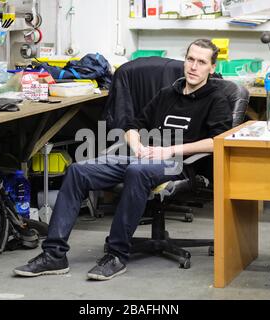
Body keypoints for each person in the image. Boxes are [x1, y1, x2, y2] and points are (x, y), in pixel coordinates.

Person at [14, 39, 232, 280]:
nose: (193, 66)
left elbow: (217, 141)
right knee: (78, 171)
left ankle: (116, 255)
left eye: (201, 62)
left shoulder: (217, 98)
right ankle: (54, 255)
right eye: (190, 59)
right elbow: (133, 124)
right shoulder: (168, 93)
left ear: (211, 68)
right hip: (144, 158)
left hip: (181, 164)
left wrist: (170, 150)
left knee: (137, 171)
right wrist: (137, 145)